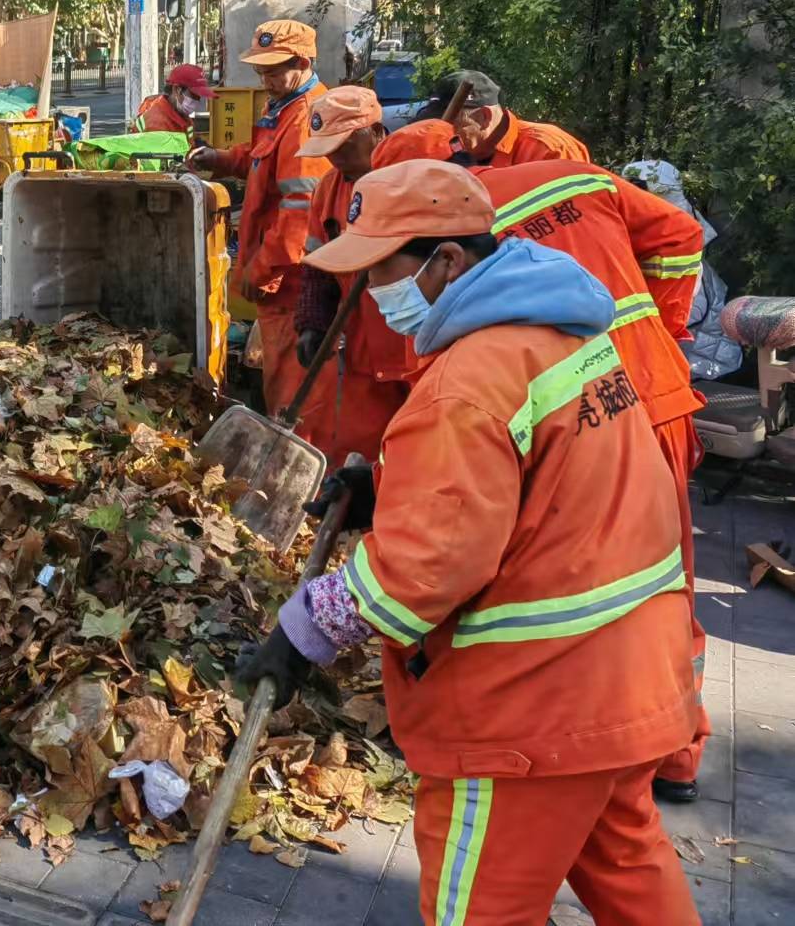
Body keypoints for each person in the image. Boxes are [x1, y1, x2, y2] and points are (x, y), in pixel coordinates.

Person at [239, 159, 700, 926]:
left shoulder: (466, 382)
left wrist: (301, 630)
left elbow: (421, 572)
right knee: (631, 877)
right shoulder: (559, 331)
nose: (374, 298)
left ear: (448, 259)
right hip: (629, 684)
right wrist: (388, 490)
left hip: (528, 712)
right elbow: (542, 487)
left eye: (380, 271)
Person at [375, 119, 711, 801]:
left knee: (583, 570)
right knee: (654, 572)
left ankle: (639, 743)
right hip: (633, 382)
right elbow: (680, 236)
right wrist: (660, 329)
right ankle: (663, 749)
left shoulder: (455, 262)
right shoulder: (566, 182)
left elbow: (466, 444)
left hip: (590, 396)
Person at [185, 19, 330, 413]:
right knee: (277, 380)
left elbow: (299, 217)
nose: (265, 78)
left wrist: (259, 270)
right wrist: (222, 159)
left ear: (302, 60)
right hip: (276, 282)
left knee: (288, 390)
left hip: (290, 285)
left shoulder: (305, 120)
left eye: (273, 70)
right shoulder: (280, 108)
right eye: (260, 70)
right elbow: (258, 159)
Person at [291, 85, 408, 467]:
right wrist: (313, 322)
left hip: (414, 344)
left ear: (374, 133)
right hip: (360, 345)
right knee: (355, 447)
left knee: (411, 449)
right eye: (329, 148)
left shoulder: (410, 180)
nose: (335, 157)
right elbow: (317, 262)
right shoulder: (329, 188)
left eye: (344, 145)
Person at [417, 69, 591, 167]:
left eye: (451, 127)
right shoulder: (456, 154)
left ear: (484, 118)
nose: (442, 136)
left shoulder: (549, 150)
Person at [133, 63, 214, 134]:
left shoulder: (182, 116)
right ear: (177, 90)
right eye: (194, 95)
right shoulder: (157, 124)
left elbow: (190, 144)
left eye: (199, 97)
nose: (197, 102)